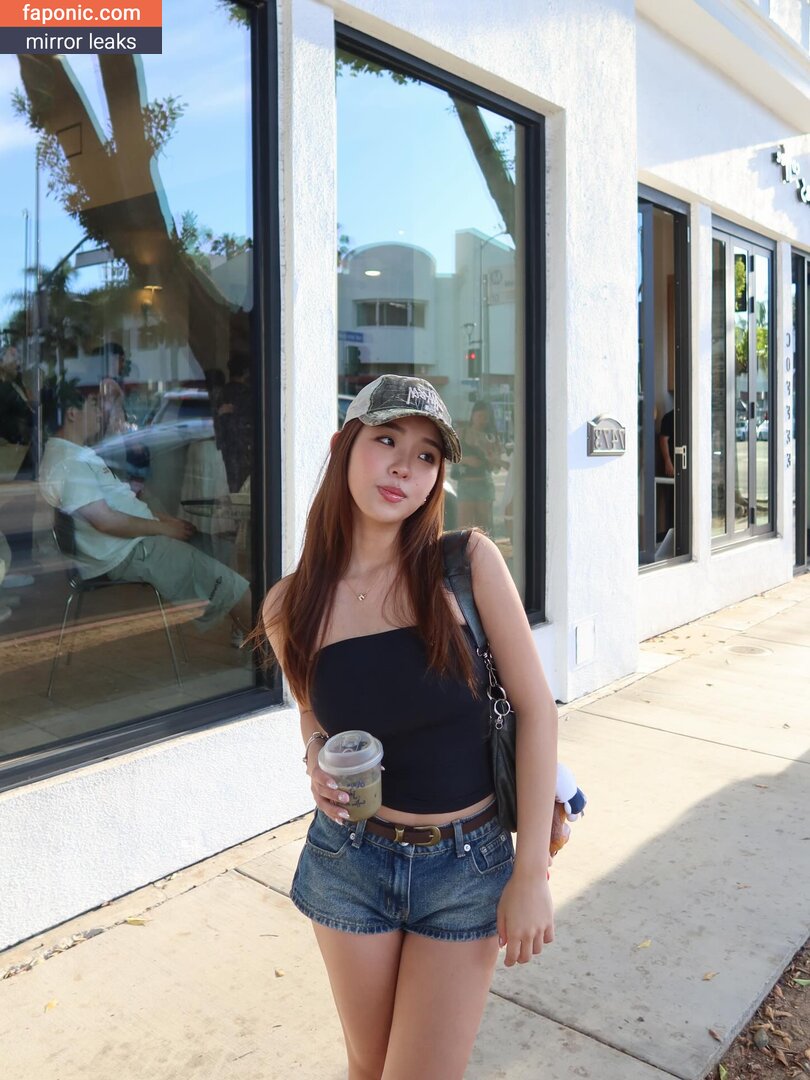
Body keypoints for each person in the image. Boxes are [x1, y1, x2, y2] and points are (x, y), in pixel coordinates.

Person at [259, 374, 558, 1080]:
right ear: (344, 446)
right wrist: (313, 752)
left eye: (426, 455)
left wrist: (531, 872)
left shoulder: (465, 566)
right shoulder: (290, 605)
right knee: (368, 1067)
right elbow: (311, 707)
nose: (404, 467)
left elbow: (537, 709)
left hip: (467, 865)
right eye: (387, 440)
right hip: (350, 860)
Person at [39, 380, 252, 638]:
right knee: (234, 586)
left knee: (226, 556)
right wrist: (163, 528)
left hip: (135, 541)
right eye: (93, 405)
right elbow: (105, 521)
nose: (99, 412)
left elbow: (119, 505)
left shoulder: (75, 454)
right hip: (127, 551)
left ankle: (251, 633)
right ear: (72, 413)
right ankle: (274, 654)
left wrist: (163, 522)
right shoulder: (68, 462)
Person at [457, 399, 506, 533]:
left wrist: (491, 458)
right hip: (465, 484)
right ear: (472, 416)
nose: (482, 420)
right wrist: (466, 460)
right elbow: (449, 458)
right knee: (463, 528)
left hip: (484, 484)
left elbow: (496, 469)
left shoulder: (492, 437)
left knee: (484, 528)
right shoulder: (462, 433)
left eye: (485, 417)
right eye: (479, 416)